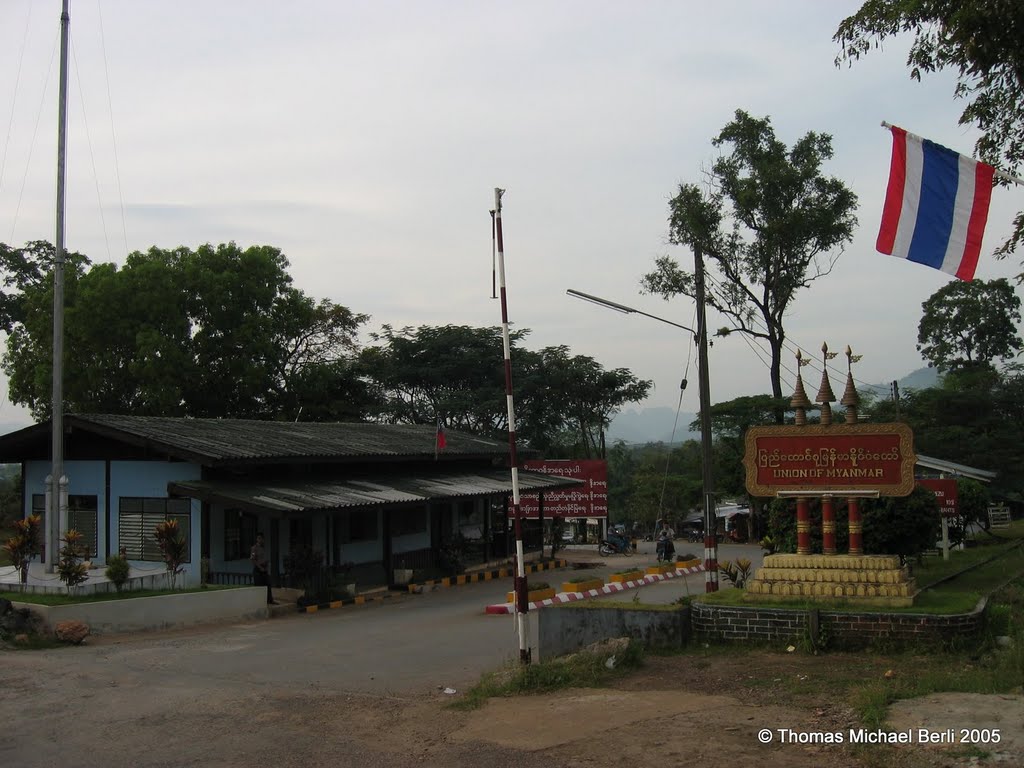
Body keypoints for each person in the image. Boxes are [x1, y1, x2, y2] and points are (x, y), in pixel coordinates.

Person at [250, 532, 275, 604]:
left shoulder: (263, 548)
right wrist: (260, 567)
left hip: (264, 568)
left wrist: (267, 565)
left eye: (261, 538)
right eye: (259, 538)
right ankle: (259, 602)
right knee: (259, 586)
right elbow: (252, 559)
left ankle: (270, 600)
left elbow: (264, 558)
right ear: (257, 539)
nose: (260, 540)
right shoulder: (254, 548)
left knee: (268, 584)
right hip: (258, 569)